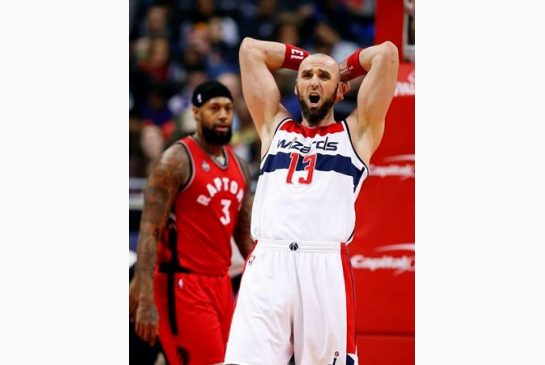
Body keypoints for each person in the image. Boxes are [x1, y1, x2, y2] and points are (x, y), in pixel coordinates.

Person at [224, 37, 399, 365]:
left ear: (340, 90)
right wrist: (311, 61)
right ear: (296, 88)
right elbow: (250, 49)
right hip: (269, 262)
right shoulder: (272, 126)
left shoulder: (358, 134)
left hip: (323, 264)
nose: (314, 81)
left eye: (323, 77)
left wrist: (341, 69)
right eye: (306, 76)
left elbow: (387, 54)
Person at [129, 80, 254, 365]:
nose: (223, 115)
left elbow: (244, 238)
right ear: (196, 113)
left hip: (221, 285)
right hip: (182, 284)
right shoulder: (175, 160)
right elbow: (149, 230)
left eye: (228, 108)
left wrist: (269, 280)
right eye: (214, 108)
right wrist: (146, 295)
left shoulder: (240, 166)